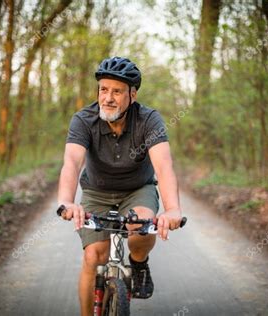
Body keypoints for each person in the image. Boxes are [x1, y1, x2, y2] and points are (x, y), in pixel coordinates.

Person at [57, 56, 183, 316]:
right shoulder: (83, 120)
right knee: (94, 256)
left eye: (117, 91)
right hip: (96, 191)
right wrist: (67, 201)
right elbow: (71, 162)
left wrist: (172, 209)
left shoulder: (149, 120)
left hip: (138, 189)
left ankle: (139, 264)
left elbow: (164, 166)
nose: (108, 98)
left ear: (132, 95)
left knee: (140, 228)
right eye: (104, 89)